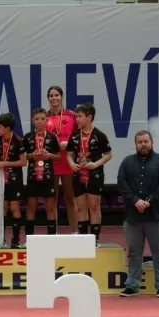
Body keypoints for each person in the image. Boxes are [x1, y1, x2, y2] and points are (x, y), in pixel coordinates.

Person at [117, 130, 159, 298]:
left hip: (156, 216)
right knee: (134, 253)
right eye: (140, 142)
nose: (143, 144)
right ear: (135, 144)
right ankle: (132, 285)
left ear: (152, 143)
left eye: (146, 141)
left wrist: (149, 201)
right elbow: (121, 182)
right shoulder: (127, 162)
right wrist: (135, 200)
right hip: (132, 216)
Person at [66, 103, 112, 247]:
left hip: (95, 174)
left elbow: (108, 155)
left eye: (79, 116)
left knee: (94, 206)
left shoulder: (99, 135)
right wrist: (71, 164)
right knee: (80, 207)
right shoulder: (74, 135)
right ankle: (83, 239)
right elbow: (69, 154)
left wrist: (95, 164)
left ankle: (95, 239)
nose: (77, 119)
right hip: (78, 174)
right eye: (76, 116)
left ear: (89, 117)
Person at [23, 108, 61, 236]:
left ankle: (51, 238)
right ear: (32, 120)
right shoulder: (28, 137)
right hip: (32, 176)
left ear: (47, 120)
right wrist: (32, 155)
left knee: (50, 207)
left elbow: (58, 156)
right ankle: (29, 239)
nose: (40, 121)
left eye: (42, 119)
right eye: (37, 119)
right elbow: (23, 157)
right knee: (31, 207)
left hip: (48, 176)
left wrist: (49, 155)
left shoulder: (52, 137)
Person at [46, 86, 78, 233]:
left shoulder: (72, 115)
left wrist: (69, 143)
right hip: (51, 161)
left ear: (61, 96)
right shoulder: (44, 117)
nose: (54, 98)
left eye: (56, 95)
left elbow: (79, 135)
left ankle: (75, 231)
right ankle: (54, 233)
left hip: (68, 160)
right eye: (51, 96)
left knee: (70, 198)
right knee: (52, 199)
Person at [0, 113, 26, 248]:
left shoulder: (18, 141)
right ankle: (2, 240)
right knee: (3, 208)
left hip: (15, 178)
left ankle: (15, 240)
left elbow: (23, 162)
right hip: (1, 178)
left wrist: (5, 163)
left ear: (7, 128)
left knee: (14, 207)